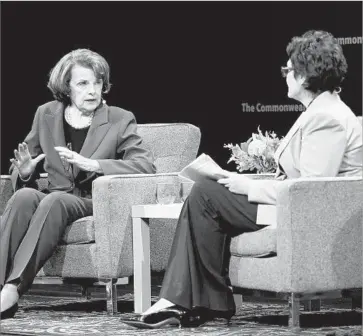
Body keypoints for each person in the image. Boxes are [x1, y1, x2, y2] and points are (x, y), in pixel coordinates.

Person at [122, 30, 363, 329]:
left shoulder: (328, 116)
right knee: (206, 194)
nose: (284, 76)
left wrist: (246, 186)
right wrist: (235, 179)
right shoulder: (318, 110)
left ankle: (192, 301)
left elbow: (309, 189)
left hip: (308, 214)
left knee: (205, 196)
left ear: (304, 77)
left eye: (287, 70)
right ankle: (194, 301)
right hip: (292, 204)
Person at [0, 49, 156, 319]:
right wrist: (24, 172)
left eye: (97, 82)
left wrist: (95, 165)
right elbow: (24, 162)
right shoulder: (45, 114)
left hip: (91, 200)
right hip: (56, 193)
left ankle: (13, 288)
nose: (92, 90)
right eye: (83, 83)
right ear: (66, 87)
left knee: (55, 200)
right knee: (25, 196)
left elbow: (145, 166)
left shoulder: (119, 119)